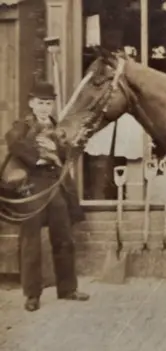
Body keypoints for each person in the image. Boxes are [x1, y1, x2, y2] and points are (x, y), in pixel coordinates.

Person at [4, 81, 89, 312]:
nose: (44, 108)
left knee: (63, 238)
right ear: (32, 103)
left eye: (48, 103)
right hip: (31, 187)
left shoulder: (57, 127)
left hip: (54, 188)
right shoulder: (23, 125)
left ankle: (68, 289)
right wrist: (38, 158)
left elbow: (66, 152)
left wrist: (63, 148)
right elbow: (13, 141)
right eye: (40, 103)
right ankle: (32, 295)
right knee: (31, 242)